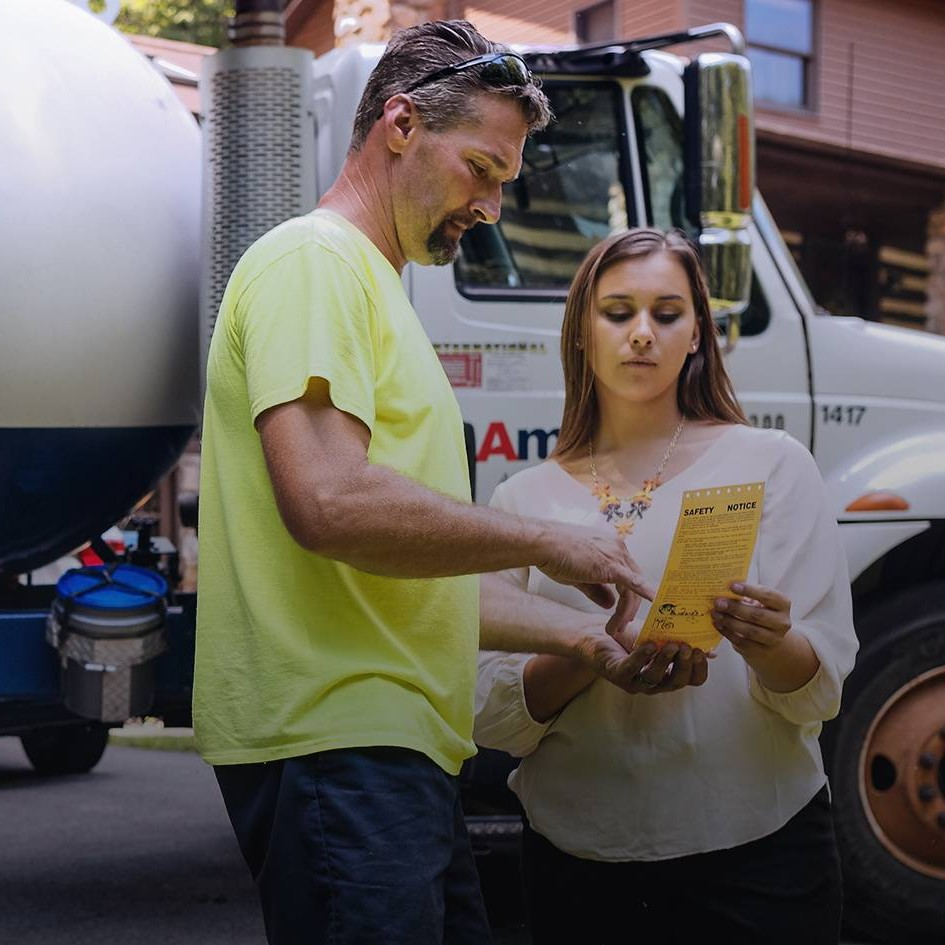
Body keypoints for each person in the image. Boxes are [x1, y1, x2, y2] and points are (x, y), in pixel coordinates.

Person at [192, 22, 706, 945]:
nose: (493, 206)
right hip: (339, 742)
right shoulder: (314, 263)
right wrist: (547, 540)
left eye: (504, 181)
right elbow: (329, 502)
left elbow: (412, 576)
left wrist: (586, 638)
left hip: (392, 750)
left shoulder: (373, 288)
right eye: (481, 169)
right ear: (400, 125)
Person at [475, 227, 860, 945]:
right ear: (581, 332)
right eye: (618, 312)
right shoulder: (521, 500)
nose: (642, 333)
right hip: (578, 862)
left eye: (667, 312)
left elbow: (821, 689)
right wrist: (589, 653)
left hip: (759, 854)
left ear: (698, 336)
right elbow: (490, 718)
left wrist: (770, 644)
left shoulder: (772, 465)